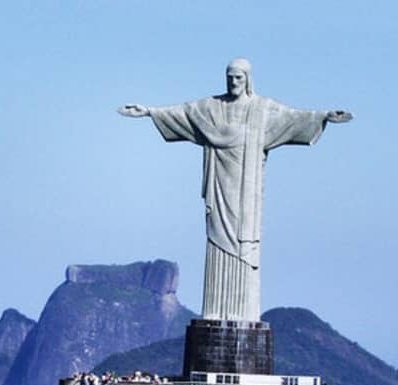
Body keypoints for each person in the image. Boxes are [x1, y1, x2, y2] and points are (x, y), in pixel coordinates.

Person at [119, 58, 352, 322]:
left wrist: (324, 116)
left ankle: (243, 312)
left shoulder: (263, 109)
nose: (233, 82)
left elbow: (294, 117)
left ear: (248, 79)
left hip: (246, 196)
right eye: (229, 77)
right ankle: (215, 311)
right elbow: (184, 113)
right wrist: (149, 111)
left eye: (238, 77)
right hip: (219, 190)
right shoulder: (211, 108)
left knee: (245, 246)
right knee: (217, 243)